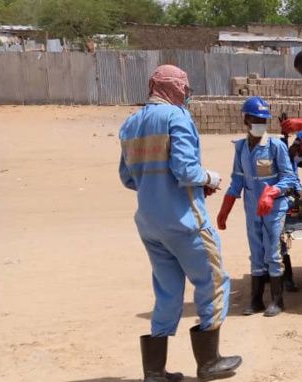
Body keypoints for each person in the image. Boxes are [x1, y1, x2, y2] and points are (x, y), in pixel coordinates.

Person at [119, 65, 241, 381]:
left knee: (168, 292)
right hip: (185, 221)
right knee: (213, 282)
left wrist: (155, 185)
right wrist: (209, 178)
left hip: (149, 223)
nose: (186, 96)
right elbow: (187, 171)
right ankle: (209, 361)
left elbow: (127, 178)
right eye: (185, 89)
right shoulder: (176, 117)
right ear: (175, 88)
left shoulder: (130, 124)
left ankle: (155, 371)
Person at [216, 96, 300, 317]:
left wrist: (272, 193)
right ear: (246, 120)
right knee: (256, 252)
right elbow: (237, 179)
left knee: (272, 252)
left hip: (274, 208)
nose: (260, 124)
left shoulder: (276, 146)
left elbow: (289, 179)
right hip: (252, 207)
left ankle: (277, 301)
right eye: (256, 119)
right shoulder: (241, 147)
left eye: (263, 120)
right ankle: (256, 301)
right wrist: (225, 208)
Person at [279, 128, 302, 292]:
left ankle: (281, 276)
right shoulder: (283, 154)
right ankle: (286, 278)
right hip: (280, 200)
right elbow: (289, 180)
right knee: (278, 240)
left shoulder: (290, 154)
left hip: (289, 197)